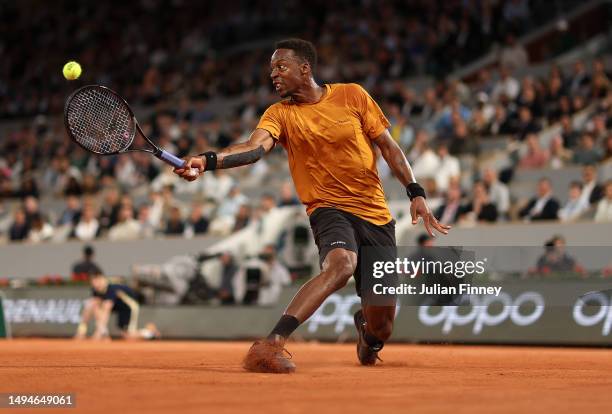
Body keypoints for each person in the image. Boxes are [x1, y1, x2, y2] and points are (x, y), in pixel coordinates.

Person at [174, 39, 450, 373]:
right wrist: (207, 160)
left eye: (281, 67)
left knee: (383, 327)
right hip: (327, 208)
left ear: (305, 69)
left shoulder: (353, 95)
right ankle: (272, 344)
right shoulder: (279, 114)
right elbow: (253, 148)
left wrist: (416, 192)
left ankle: (367, 332)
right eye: (271, 69)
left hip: (375, 214)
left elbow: (390, 148)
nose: (273, 75)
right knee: (341, 265)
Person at [75, 273, 159, 340]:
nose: (95, 284)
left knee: (128, 336)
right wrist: (81, 330)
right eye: (93, 282)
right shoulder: (96, 289)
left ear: (102, 279)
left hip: (129, 307)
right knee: (94, 304)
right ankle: (99, 333)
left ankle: (150, 332)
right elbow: (90, 307)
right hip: (118, 307)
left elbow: (107, 309)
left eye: (97, 281)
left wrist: (98, 332)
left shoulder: (111, 288)